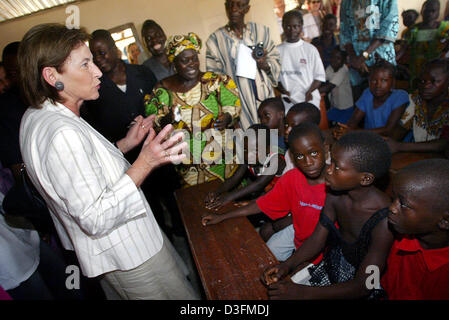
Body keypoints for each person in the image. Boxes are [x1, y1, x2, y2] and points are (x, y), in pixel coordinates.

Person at [17, 23, 198, 300]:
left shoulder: (40, 114)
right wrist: (146, 162)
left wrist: (126, 144)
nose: (98, 71)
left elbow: (82, 172)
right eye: (85, 64)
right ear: (52, 75)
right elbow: (95, 217)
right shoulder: (61, 132)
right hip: (129, 256)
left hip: (120, 252)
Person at [262, 131, 393, 300]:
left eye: (336, 167)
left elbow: (365, 285)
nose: (328, 170)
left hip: (361, 285)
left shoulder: (384, 220)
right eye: (331, 162)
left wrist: (301, 292)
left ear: (365, 178)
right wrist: (287, 265)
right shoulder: (335, 194)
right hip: (335, 264)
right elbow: (318, 238)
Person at [203, 123, 327, 262]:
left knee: (269, 232)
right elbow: (256, 197)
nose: (308, 162)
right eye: (299, 156)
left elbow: (258, 185)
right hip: (289, 217)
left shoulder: (333, 186)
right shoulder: (293, 177)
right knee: (264, 252)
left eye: (314, 153)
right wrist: (221, 210)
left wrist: (229, 198)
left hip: (316, 239)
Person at [145, 32, 241, 189]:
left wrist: (228, 117)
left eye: (194, 58)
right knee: (198, 204)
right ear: (174, 64)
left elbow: (233, 105)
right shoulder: (162, 90)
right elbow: (155, 121)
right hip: (190, 167)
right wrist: (167, 118)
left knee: (232, 201)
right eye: (185, 60)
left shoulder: (215, 81)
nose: (192, 64)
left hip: (224, 159)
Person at [206, 0, 281, 130]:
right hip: (240, 107)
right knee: (252, 145)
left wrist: (264, 64)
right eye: (230, 5)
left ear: (247, 8)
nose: (234, 9)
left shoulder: (261, 32)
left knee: (272, 142)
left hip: (266, 101)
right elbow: (215, 80)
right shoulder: (215, 41)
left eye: (239, 5)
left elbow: (276, 63)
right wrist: (230, 114)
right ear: (225, 8)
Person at [382, 159, 449, 300]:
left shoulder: (443, 273)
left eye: (404, 205)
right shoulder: (394, 232)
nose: (392, 208)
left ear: (444, 221)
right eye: (393, 198)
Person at [204, 124, 286, 213]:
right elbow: (234, 178)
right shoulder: (249, 158)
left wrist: (229, 197)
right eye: (246, 150)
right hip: (268, 194)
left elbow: (259, 184)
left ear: (267, 149)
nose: (248, 155)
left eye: (255, 150)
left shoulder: (275, 160)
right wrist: (217, 192)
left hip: (285, 199)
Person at [340, 0, 399, 100]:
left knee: (385, 102)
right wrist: (354, 58)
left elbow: (389, 26)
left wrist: (363, 56)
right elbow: (344, 30)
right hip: (356, 64)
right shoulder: (346, 2)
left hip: (381, 59)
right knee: (360, 101)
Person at [387, 59, 449, 153]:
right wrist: (388, 142)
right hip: (419, 157)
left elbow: (444, 143)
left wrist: (399, 146)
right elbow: (401, 129)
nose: (426, 86)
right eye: (422, 81)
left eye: (434, 81)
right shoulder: (416, 99)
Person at [334, 60, 409, 138]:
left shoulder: (400, 96)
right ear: (369, 81)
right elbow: (354, 120)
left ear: (393, 82)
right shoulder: (368, 93)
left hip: (392, 143)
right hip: (369, 139)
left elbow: (388, 130)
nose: (378, 85)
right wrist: (345, 129)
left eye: (384, 80)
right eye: (374, 80)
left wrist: (354, 132)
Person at [277, 10, 326, 109]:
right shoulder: (277, 51)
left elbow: (319, 77)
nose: (292, 30)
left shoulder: (310, 49)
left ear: (301, 26)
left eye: (296, 26)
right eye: (288, 26)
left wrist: (309, 91)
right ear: (283, 26)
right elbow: (275, 78)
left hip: (309, 100)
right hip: (288, 103)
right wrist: (284, 92)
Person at [401, 0, 449, 90]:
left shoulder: (445, 28)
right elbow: (404, 46)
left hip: (437, 72)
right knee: (417, 94)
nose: (429, 14)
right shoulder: (413, 30)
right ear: (421, 11)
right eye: (426, 10)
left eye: (433, 11)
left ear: (438, 13)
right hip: (417, 71)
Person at [320, 48, 354, 125]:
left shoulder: (343, 70)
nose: (334, 60)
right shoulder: (329, 68)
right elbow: (321, 80)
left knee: (341, 129)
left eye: (338, 58)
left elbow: (329, 87)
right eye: (332, 57)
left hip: (346, 109)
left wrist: (311, 91)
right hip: (335, 107)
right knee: (323, 119)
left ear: (344, 60)